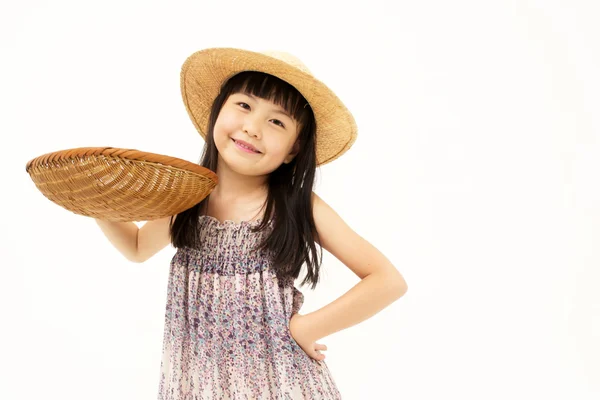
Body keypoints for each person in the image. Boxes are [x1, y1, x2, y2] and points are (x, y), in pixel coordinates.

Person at [95, 48, 408, 399]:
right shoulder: (188, 196)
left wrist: (306, 328)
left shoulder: (296, 205)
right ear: (218, 111)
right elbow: (137, 247)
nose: (252, 127)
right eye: (244, 105)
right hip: (198, 384)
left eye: (277, 121)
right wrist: (96, 204)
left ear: (294, 148)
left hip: (279, 384)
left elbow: (387, 281)